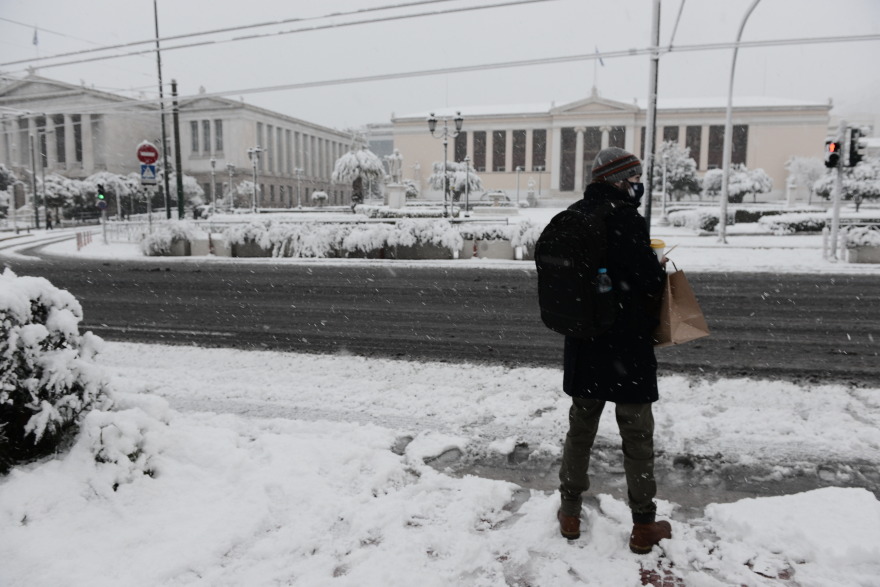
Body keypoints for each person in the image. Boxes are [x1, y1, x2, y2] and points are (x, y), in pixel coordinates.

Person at [556, 147, 671, 554]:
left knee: (580, 430)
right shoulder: (626, 219)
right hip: (627, 346)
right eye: (634, 178)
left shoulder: (575, 215)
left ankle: (570, 512)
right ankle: (643, 525)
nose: (638, 185)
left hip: (585, 341)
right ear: (620, 181)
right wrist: (657, 266)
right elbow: (649, 281)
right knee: (637, 436)